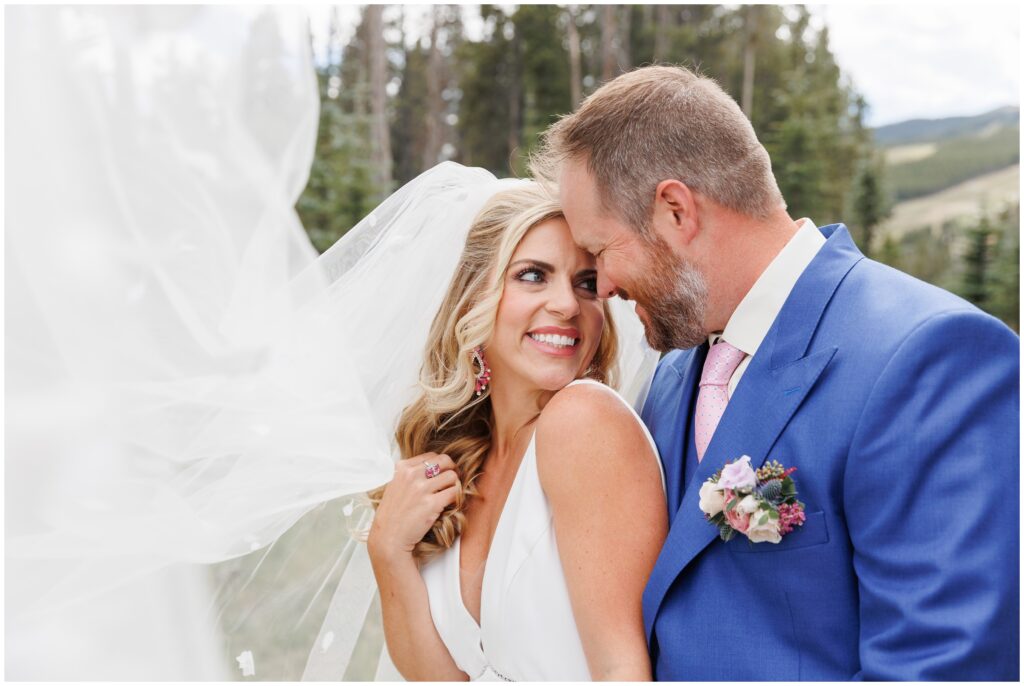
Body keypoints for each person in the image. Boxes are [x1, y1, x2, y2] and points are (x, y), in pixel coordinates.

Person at [533, 64, 1020, 680]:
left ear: (675, 212)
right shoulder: (674, 371)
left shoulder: (930, 357)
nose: (600, 287)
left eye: (600, 251)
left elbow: (945, 665)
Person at [366, 183, 668, 681]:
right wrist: (388, 554)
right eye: (533, 276)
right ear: (473, 300)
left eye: (587, 283)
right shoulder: (457, 466)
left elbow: (623, 670)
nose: (567, 305)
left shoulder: (584, 422)